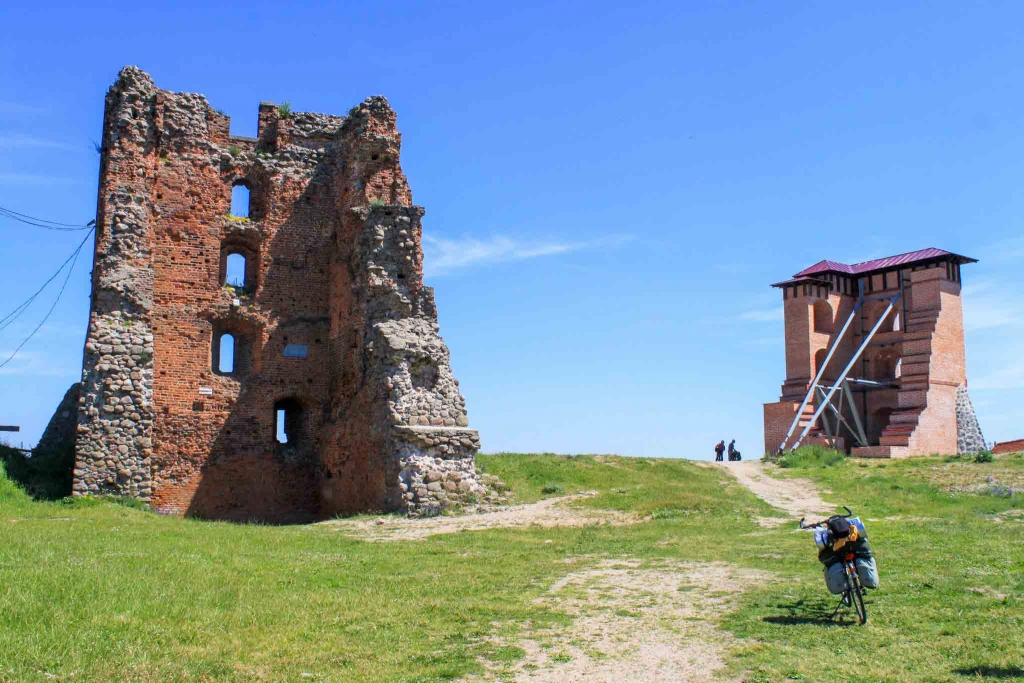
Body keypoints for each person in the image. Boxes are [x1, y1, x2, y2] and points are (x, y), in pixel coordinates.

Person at [818, 515, 879, 594]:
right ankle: (861, 579)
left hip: (838, 548)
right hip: (853, 545)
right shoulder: (852, 528)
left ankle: (843, 583)